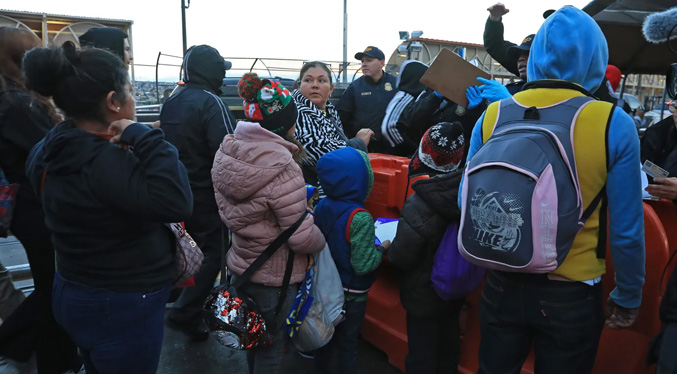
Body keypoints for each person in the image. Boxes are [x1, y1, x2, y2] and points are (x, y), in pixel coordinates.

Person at [464, 7, 645, 373]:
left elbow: (466, 198)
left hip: (501, 278)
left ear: (536, 56)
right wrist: (628, 295)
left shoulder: (494, 114)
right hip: (572, 289)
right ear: (596, 57)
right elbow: (627, 230)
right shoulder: (612, 121)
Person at [23, 42, 193, 374]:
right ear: (112, 102)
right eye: (128, 91)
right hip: (122, 301)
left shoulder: (50, 147)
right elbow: (176, 199)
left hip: (74, 286)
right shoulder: (104, 161)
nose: (132, 98)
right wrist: (145, 137)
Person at [212, 73, 325, 374]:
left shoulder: (228, 151)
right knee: (272, 348)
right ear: (284, 124)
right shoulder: (283, 167)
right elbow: (300, 238)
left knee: (252, 335)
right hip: (276, 277)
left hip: (242, 265)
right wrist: (321, 236)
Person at [0, 27, 81, 374]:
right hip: (40, 212)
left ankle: (40, 351)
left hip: (30, 212)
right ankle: (51, 358)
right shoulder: (17, 105)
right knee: (55, 291)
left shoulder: (14, 101)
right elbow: (56, 154)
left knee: (51, 287)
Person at [161, 44, 236, 341]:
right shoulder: (211, 102)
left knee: (185, 253)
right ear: (211, 71)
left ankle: (183, 306)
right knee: (214, 254)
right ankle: (185, 312)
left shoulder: (173, 100)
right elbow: (227, 152)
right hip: (207, 194)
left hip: (178, 192)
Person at [388, 122, 466, 374]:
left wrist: (387, 247)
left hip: (422, 295)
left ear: (422, 153)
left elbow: (402, 256)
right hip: (455, 289)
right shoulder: (467, 193)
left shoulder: (420, 201)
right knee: (448, 349)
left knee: (422, 355)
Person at [313, 146, 390, 374]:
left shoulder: (321, 205)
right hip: (351, 295)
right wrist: (382, 247)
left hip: (325, 289)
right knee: (348, 343)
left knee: (325, 340)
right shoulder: (361, 217)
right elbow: (363, 264)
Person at [292, 61, 372, 188]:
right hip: (309, 190)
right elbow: (318, 154)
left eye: (321, 81)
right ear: (299, 86)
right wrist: (358, 143)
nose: (315, 85)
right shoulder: (296, 112)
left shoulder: (330, 111)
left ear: (331, 89)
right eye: (308, 80)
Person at [397, 84, 485, 166]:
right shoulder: (432, 87)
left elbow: (478, 135)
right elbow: (411, 120)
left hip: (454, 163)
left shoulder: (478, 93)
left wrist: (475, 111)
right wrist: (435, 97)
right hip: (423, 156)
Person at [337, 46, 398, 153]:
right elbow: (341, 117)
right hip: (366, 148)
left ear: (382, 63)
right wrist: (352, 139)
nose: (364, 64)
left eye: (369, 60)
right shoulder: (355, 87)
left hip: (393, 147)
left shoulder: (396, 83)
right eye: (362, 61)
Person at [381, 60, 429, 156]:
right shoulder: (404, 97)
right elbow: (389, 127)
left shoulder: (416, 98)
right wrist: (409, 148)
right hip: (401, 155)